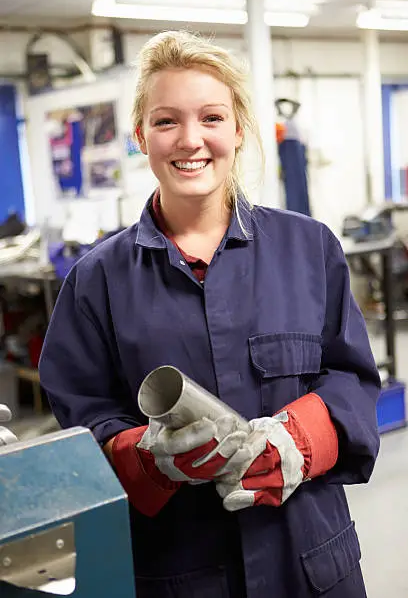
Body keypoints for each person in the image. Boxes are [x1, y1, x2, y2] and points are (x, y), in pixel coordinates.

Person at [38, 31, 380, 598]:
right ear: (140, 136)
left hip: (309, 564)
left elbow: (351, 378)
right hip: (179, 571)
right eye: (167, 121)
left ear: (239, 130)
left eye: (213, 118)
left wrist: (296, 440)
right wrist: (148, 459)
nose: (191, 140)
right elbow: (82, 420)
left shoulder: (309, 247)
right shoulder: (95, 280)